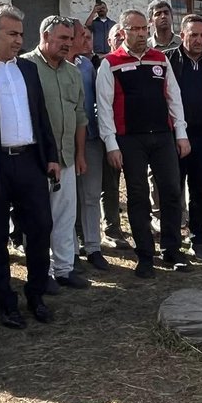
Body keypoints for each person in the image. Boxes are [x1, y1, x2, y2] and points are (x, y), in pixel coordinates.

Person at [0, 6, 60, 328]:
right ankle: (5, 302)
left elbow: (41, 115)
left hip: (29, 161)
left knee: (40, 227)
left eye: (21, 34)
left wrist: (51, 155)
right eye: (12, 34)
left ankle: (35, 295)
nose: (19, 40)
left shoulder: (28, 69)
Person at [97, 8, 190, 277]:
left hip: (162, 137)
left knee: (172, 192)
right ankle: (145, 255)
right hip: (130, 140)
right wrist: (111, 144)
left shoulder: (160, 58)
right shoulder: (110, 63)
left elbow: (174, 97)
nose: (140, 34)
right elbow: (103, 107)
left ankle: (172, 251)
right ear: (123, 31)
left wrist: (181, 134)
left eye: (143, 29)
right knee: (138, 197)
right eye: (134, 29)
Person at [24, 15, 89, 291]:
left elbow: (80, 116)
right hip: (36, 158)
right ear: (45, 36)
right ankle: (43, 272)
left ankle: (64, 269)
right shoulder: (25, 67)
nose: (68, 44)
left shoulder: (72, 72)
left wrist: (80, 155)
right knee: (39, 219)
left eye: (70, 38)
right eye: (62, 38)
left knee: (65, 216)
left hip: (67, 156)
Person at [166, 15, 202, 261]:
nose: (199, 40)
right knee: (171, 190)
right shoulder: (167, 60)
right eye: (194, 35)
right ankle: (171, 241)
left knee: (200, 190)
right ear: (182, 35)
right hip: (173, 139)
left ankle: (198, 236)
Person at [71, 21, 109, 271]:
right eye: (83, 36)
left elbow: (95, 102)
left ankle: (93, 246)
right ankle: (71, 249)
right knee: (67, 199)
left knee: (91, 195)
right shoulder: (50, 65)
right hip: (65, 141)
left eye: (89, 37)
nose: (88, 42)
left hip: (91, 139)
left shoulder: (87, 66)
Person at [99, 22, 130, 248]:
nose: (120, 40)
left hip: (135, 135)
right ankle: (111, 227)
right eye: (116, 38)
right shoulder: (104, 66)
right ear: (109, 42)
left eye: (123, 36)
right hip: (110, 135)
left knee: (138, 183)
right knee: (110, 185)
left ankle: (144, 222)